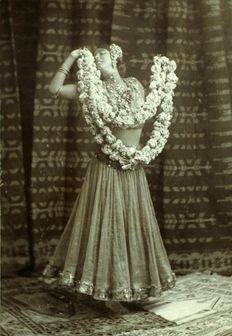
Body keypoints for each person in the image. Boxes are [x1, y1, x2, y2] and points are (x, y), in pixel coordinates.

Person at [40, 43, 177, 313]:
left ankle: (132, 287)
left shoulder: (135, 84)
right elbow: (54, 89)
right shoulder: (92, 91)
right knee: (108, 225)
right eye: (93, 55)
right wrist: (70, 58)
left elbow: (141, 116)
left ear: (115, 57)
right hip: (106, 168)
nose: (96, 56)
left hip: (133, 168)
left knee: (132, 224)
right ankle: (104, 291)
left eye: (101, 53)